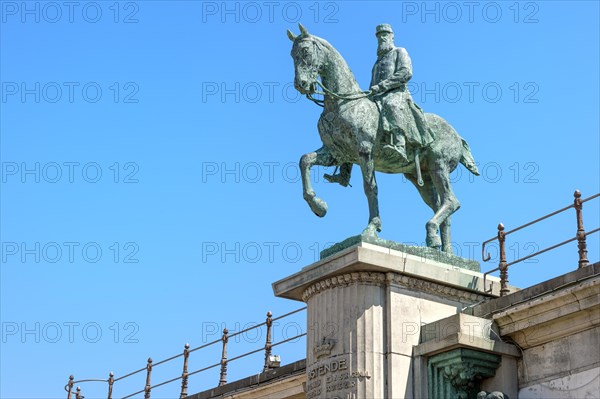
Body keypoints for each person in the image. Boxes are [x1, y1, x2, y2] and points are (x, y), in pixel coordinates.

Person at [369, 24, 434, 163]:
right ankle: (345, 170)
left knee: (391, 105)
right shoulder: (377, 63)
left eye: (384, 35)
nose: (381, 38)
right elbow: (372, 84)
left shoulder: (400, 51)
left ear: (392, 37)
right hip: (377, 96)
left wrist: (382, 86)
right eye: (379, 37)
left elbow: (406, 72)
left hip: (397, 93)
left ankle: (400, 146)